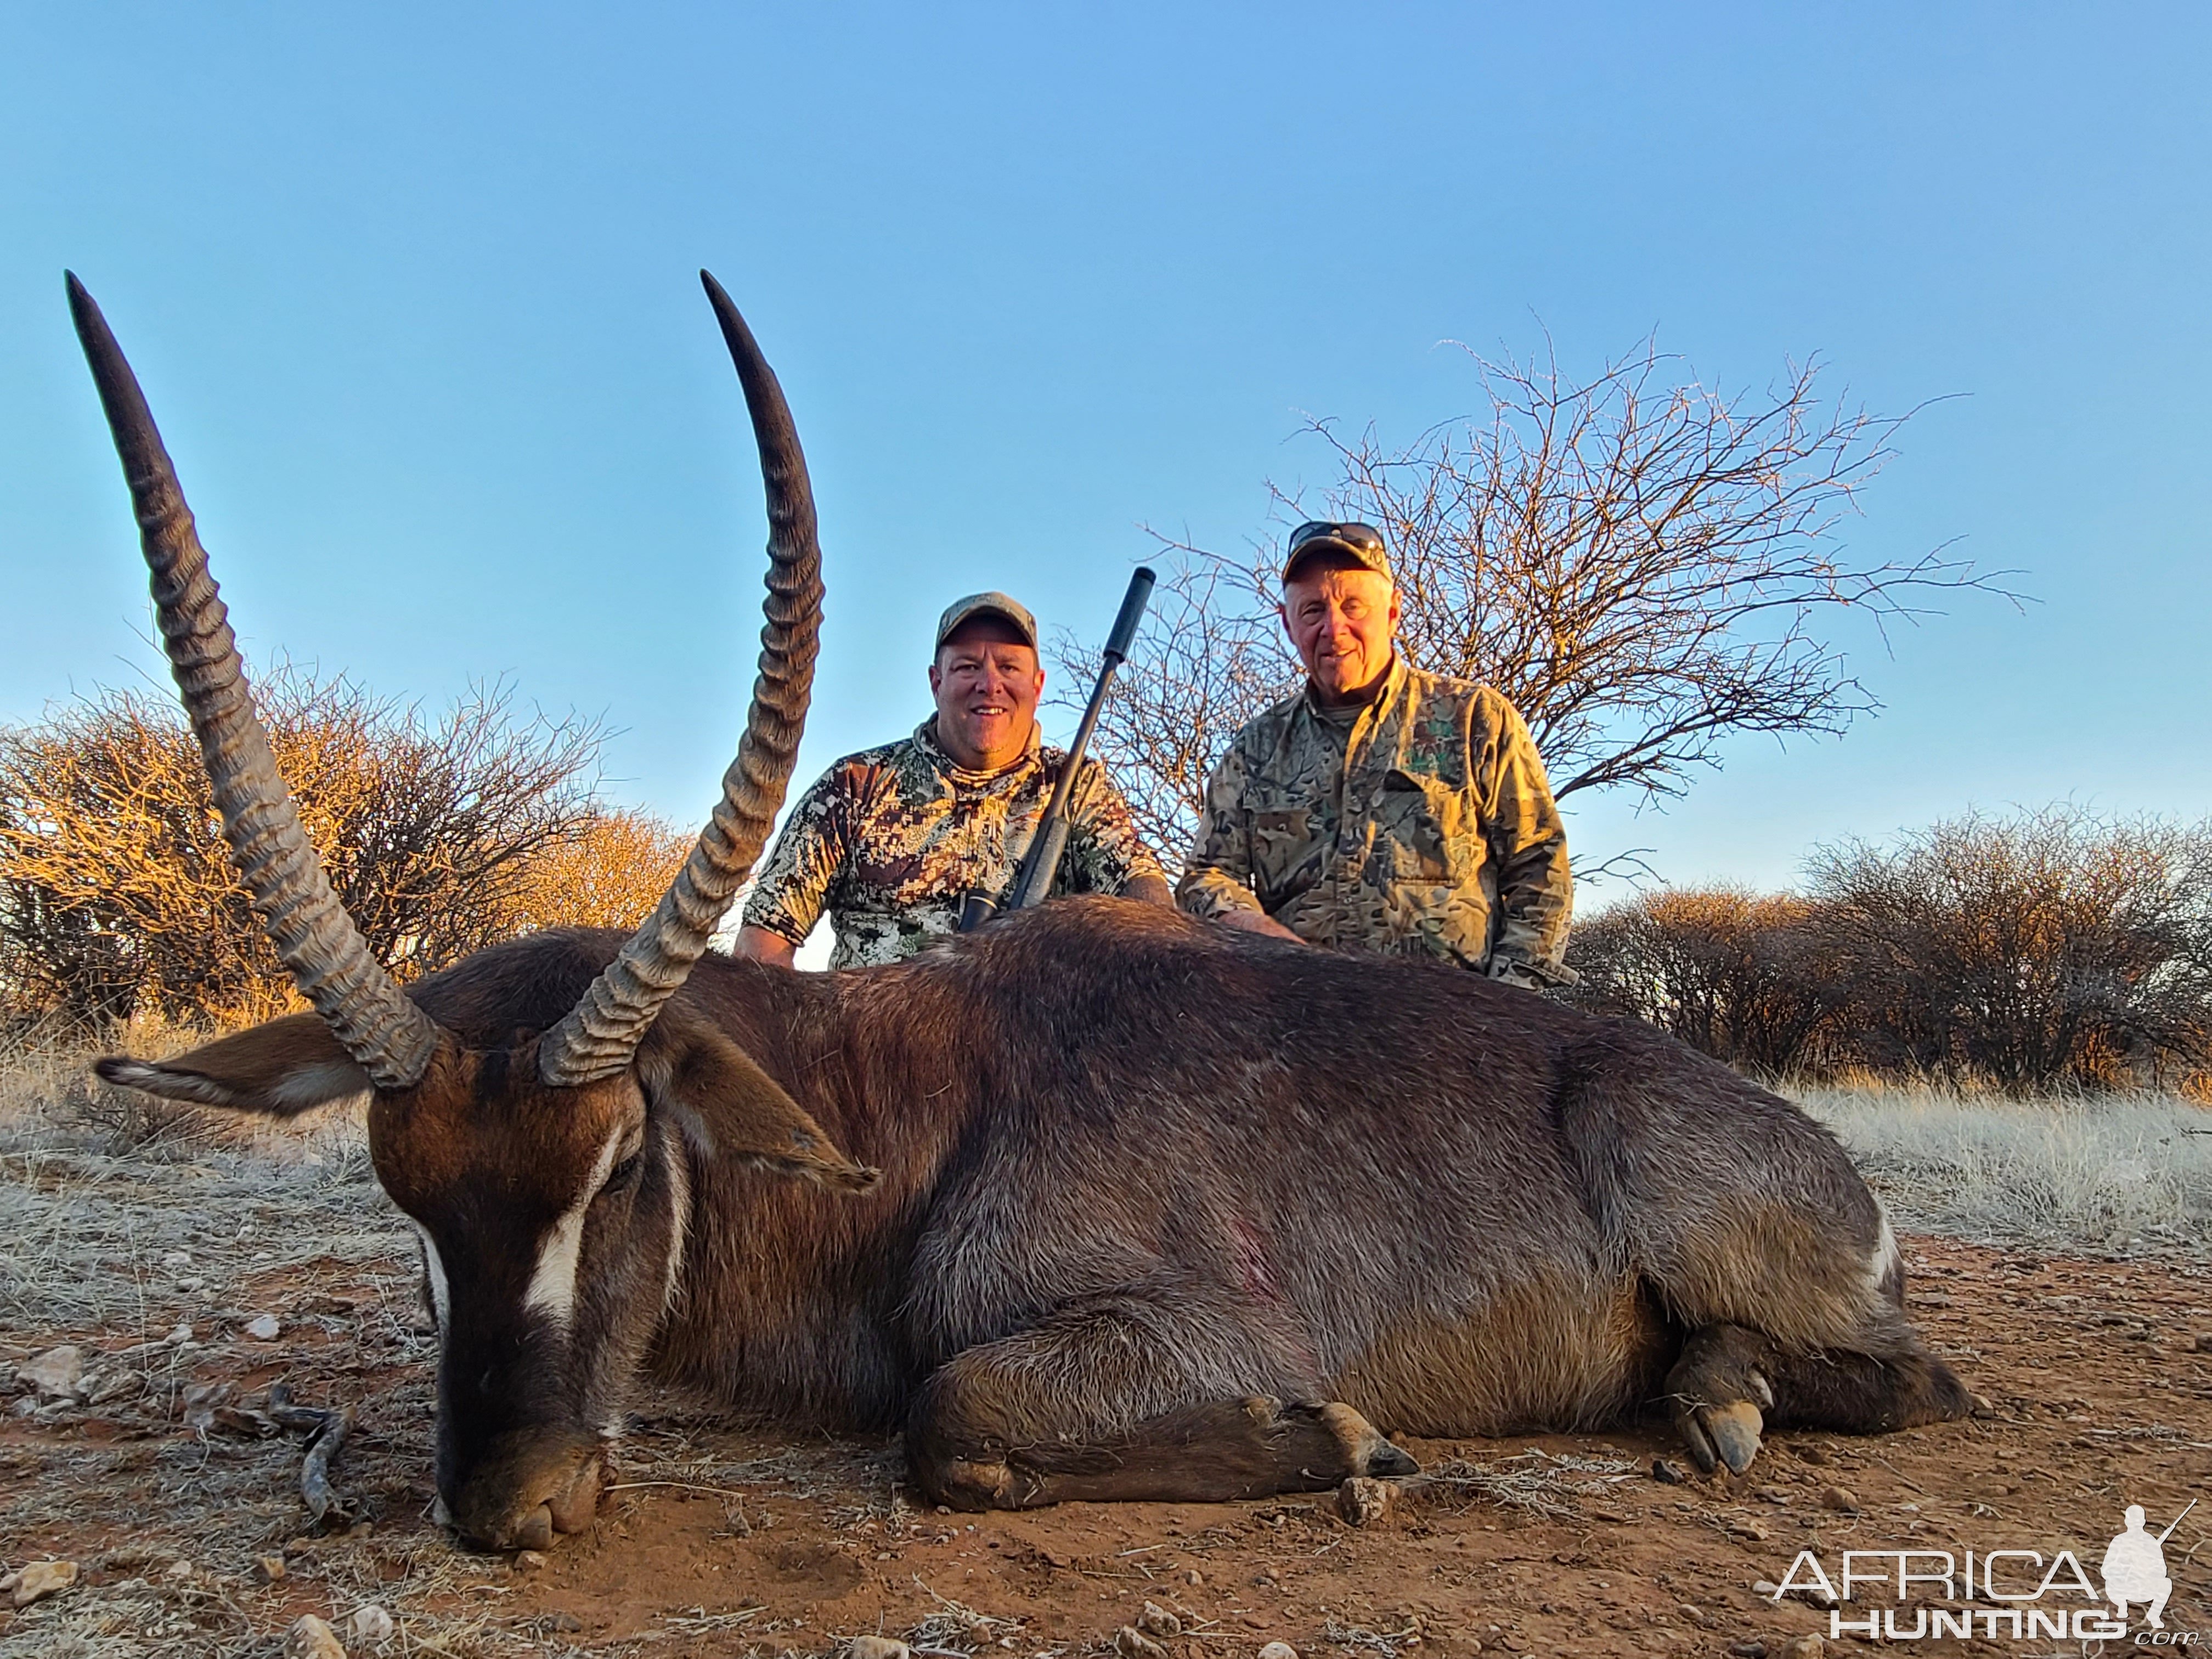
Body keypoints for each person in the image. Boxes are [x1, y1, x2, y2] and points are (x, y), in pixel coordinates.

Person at [1177, 521, 1574, 987]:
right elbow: (1207, 877)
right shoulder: (1255, 750)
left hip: (1455, 1028)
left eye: (1353, 606)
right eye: (1312, 611)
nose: (1333, 628)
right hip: (1298, 1025)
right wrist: (1260, 935)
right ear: (1288, 624)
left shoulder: (1476, 719)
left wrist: (1510, 1008)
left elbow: (1539, 867)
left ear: (1392, 613)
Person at [734, 591, 1171, 967]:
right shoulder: (854, 785)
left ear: (1038, 686)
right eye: (967, 667)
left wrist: (1157, 937)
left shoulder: (1076, 784)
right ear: (936, 681)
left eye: (1009, 667)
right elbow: (764, 940)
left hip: (1027, 1049)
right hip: (870, 1051)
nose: (990, 684)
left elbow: (1141, 889)